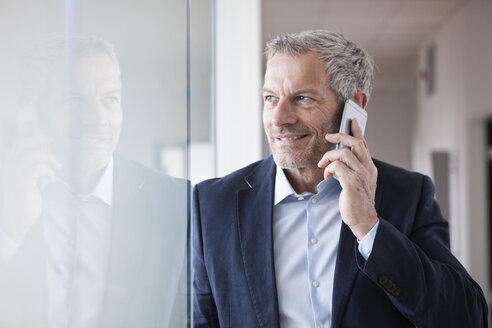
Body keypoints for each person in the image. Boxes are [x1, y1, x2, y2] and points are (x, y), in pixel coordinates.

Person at [192, 30, 488, 327]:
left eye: (302, 98)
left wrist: (369, 227)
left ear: (354, 107)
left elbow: (467, 317)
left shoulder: (407, 194)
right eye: (270, 98)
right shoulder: (213, 205)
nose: (279, 118)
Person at [0, 35, 188, 327]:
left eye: (109, 99)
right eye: (74, 100)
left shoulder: (178, 203)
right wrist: (9, 232)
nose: (97, 118)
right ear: (35, 111)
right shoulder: (8, 198)